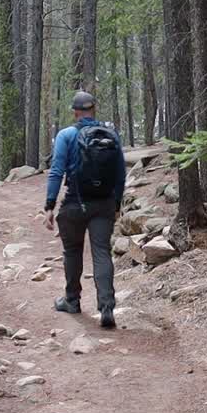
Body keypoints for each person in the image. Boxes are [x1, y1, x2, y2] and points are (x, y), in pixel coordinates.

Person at [43, 90, 127, 329]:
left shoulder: (66, 135)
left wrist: (49, 205)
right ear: (94, 110)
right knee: (101, 252)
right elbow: (120, 174)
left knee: (72, 251)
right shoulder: (111, 135)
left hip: (74, 203)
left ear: (75, 112)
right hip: (103, 204)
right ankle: (107, 306)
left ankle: (72, 300)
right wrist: (117, 204)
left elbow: (57, 171)